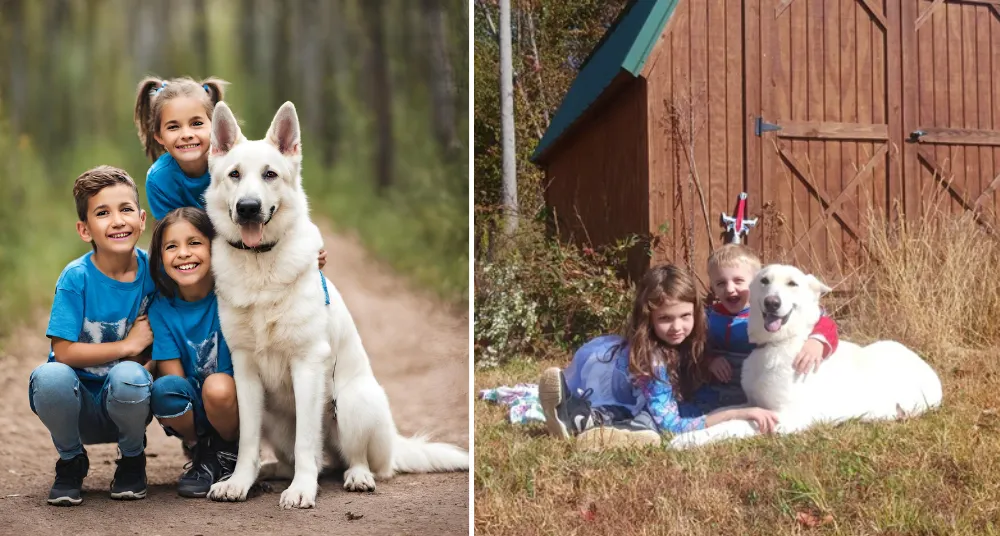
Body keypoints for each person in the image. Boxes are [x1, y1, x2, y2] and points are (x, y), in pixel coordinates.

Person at [539, 264, 780, 448]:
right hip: (619, 387)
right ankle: (576, 417)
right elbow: (671, 425)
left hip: (648, 391)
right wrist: (737, 413)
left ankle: (595, 423)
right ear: (648, 319)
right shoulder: (652, 359)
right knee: (646, 420)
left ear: (696, 312)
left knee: (695, 404)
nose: (677, 327)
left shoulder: (695, 335)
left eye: (685, 316)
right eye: (665, 318)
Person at [29, 166, 157, 505]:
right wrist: (128, 345)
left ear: (142, 219)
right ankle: (71, 459)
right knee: (49, 377)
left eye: (126, 209)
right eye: (103, 213)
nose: (117, 221)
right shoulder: (76, 278)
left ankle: (132, 459)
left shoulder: (154, 272)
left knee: (130, 375)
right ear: (85, 229)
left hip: (128, 400)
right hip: (77, 404)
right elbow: (65, 352)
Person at [132, 75, 328, 268]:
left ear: (213, 128)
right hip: (194, 258)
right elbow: (173, 239)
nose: (186, 134)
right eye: (174, 127)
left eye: (197, 123)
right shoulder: (159, 179)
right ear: (158, 136)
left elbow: (291, 202)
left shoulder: (236, 160)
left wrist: (305, 249)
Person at [146, 207, 240, 498]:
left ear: (215, 248)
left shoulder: (231, 296)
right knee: (165, 389)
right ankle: (203, 452)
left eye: (195, 243)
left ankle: (230, 451)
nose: (183, 253)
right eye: (171, 247)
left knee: (217, 387)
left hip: (234, 405)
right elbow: (175, 380)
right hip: (196, 411)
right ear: (160, 259)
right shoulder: (161, 309)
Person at [704, 244, 839, 405]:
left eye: (739, 281)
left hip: (754, 385)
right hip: (719, 386)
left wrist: (817, 341)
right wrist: (709, 359)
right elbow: (693, 345)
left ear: (752, 284)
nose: (730, 289)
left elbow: (824, 322)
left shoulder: (756, 316)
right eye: (720, 283)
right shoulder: (709, 316)